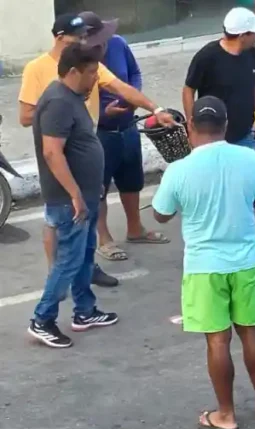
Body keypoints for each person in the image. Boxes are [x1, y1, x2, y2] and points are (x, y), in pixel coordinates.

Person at [151, 95, 255, 429]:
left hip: (203, 267)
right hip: (245, 262)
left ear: (190, 126)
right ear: (226, 126)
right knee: (251, 332)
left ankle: (226, 414)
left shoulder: (178, 170)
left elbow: (161, 215)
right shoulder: (249, 159)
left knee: (217, 341)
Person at [19, 12, 176, 286]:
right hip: (60, 152)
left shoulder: (86, 62)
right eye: (78, 37)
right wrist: (59, 112)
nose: (84, 41)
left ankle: (87, 268)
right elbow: (24, 116)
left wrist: (156, 109)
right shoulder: (37, 69)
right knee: (57, 216)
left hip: (88, 149)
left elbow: (122, 87)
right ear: (60, 38)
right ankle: (57, 277)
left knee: (88, 211)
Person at [28, 44, 120, 348]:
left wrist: (91, 187)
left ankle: (84, 311)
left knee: (84, 254)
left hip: (84, 194)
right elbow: (52, 152)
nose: (96, 78)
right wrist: (75, 194)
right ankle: (42, 319)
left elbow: (79, 143)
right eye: (91, 72)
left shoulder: (72, 98)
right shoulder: (58, 102)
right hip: (69, 200)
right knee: (68, 260)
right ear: (72, 72)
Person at [96, 16, 171, 262]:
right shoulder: (83, 59)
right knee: (99, 187)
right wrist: (103, 112)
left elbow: (135, 74)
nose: (104, 42)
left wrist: (133, 96)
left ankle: (135, 228)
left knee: (131, 180)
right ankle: (104, 238)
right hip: (100, 131)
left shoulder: (119, 44)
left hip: (127, 125)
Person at [183, 7, 255, 153]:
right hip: (213, 141)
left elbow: (254, 87)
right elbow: (188, 90)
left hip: (246, 135)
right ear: (242, 36)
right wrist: (192, 126)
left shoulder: (251, 53)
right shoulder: (206, 57)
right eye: (254, 32)